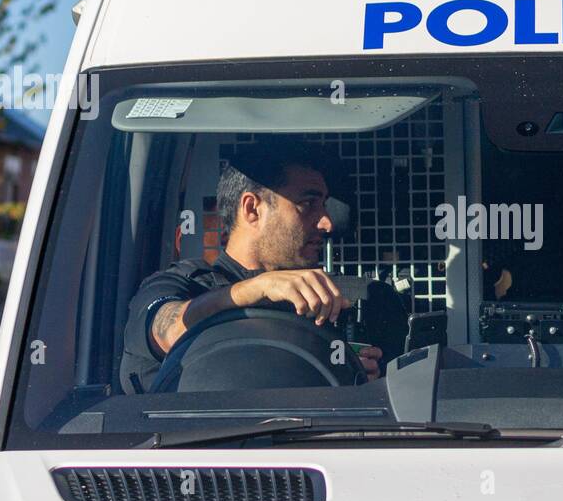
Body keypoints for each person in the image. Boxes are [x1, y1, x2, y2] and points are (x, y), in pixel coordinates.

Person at [120, 139, 383, 393]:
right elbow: (166, 330)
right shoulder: (183, 284)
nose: (327, 223)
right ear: (252, 209)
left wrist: (359, 381)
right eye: (307, 204)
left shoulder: (342, 301)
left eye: (323, 205)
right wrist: (256, 288)